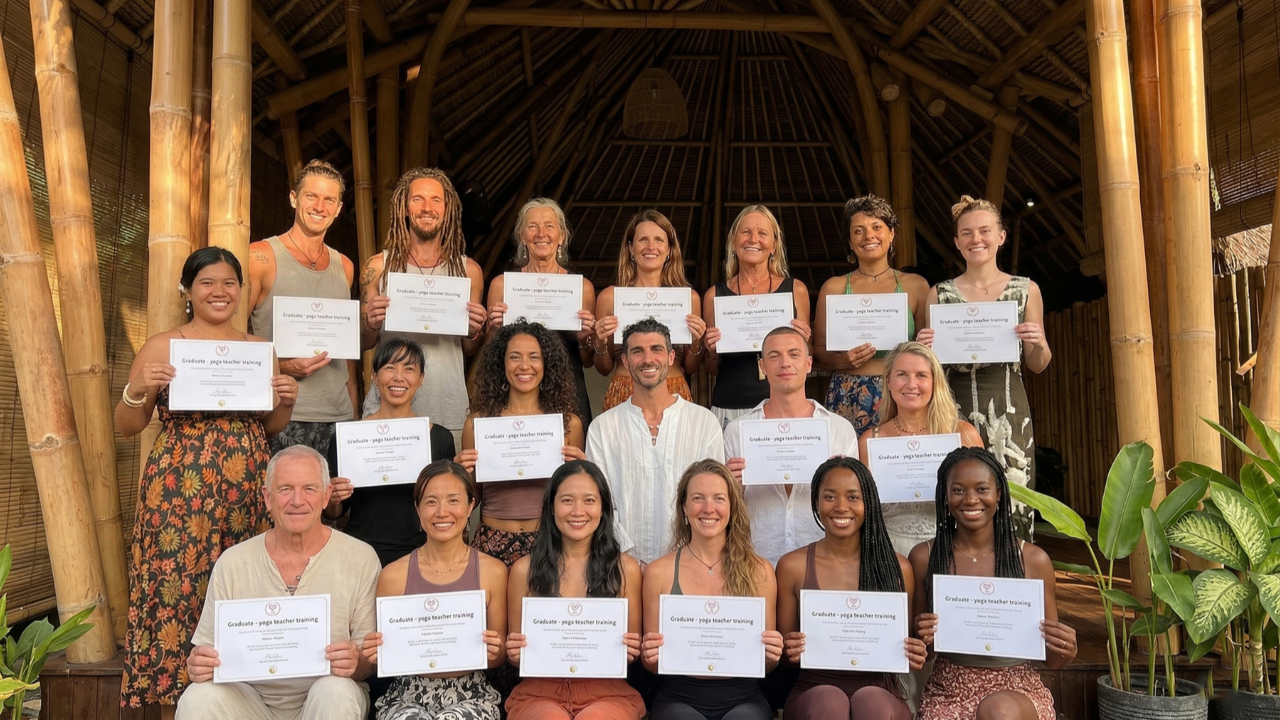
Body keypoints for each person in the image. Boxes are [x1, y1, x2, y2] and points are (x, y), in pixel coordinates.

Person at [117, 247, 299, 711]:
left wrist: (286, 400)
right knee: (176, 585)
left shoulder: (261, 350)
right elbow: (126, 425)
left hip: (248, 485)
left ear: (241, 291)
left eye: (229, 283)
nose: (219, 292)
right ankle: (178, 700)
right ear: (188, 290)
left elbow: (269, 426)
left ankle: (241, 700)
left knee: (245, 582)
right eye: (207, 283)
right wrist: (138, 391)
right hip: (179, 488)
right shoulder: (163, 345)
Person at [176, 445, 381, 720]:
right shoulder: (233, 562)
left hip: (323, 696)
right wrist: (199, 663)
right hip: (249, 698)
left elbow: (367, 659)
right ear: (267, 497)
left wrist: (356, 661)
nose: (297, 500)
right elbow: (208, 651)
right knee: (197, 699)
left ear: (326, 496)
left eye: (309, 489)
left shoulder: (361, 558)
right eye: (285, 489)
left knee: (337, 692)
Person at [916, 196, 1052, 540]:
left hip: (1010, 412)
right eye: (967, 233)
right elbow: (926, 369)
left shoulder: (1026, 290)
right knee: (956, 493)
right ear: (957, 241)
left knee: (1012, 495)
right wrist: (925, 349)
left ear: (1001, 236)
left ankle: (1011, 581)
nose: (976, 239)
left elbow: (1038, 364)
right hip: (951, 411)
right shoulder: (939, 295)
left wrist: (1036, 342)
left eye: (985, 231)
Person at [909, 447, 1076, 720]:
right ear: (945, 496)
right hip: (949, 688)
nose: (971, 499)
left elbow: (1053, 660)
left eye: (982, 489)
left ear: (999, 494)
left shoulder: (1032, 559)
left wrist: (1067, 650)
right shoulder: (925, 556)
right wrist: (922, 636)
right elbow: (924, 656)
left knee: (998, 711)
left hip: (1016, 688)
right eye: (959, 490)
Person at [776, 457, 927, 719]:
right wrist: (789, 648)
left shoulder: (897, 568)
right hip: (813, 690)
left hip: (882, 692)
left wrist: (916, 652)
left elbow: (911, 652)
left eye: (853, 497)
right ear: (816, 502)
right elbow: (785, 658)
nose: (841, 507)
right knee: (829, 701)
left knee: (872, 702)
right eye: (830, 497)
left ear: (868, 503)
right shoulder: (793, 566)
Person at [360, 461, 508, 720]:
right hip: (406, 694)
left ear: (471, 505)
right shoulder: (393, 575)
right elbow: (387, 655)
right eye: (430, 502)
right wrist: (376, 652)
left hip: (471, 693)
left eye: (453, 500)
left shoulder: (493, 572)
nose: (442, 512)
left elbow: (498, 657)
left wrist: (496, 650)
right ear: (417, 509)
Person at [640, 459, 784, 720]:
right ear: (684, 506)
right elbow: (652, 665)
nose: (708, 509)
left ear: (732, 506)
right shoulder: (659, 572)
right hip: (678, 696)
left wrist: (772, 655)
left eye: (719, 498)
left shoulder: (759, 571)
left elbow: (767, 664)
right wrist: (649, 654)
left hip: (745, 697)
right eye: (698, 498)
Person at [504, 461, 646, 719]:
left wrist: (631, 649)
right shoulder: (524, 570)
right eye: (567, 500)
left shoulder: (626, 569)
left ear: (603, 508)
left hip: (606, 691)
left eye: (589, 500)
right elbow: (516, 657)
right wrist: (514, 652)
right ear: (551, 507)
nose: (578, 511)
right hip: (540, 691)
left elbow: (630, 656)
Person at [360, 168, 487, 448]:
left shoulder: (468, 271)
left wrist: (474, 331)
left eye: (435, 200)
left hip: (448, 404)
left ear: (448, 209)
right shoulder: (378, 267)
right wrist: (370, 322)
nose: (427, 208)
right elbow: (366, 342)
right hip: (387, 406)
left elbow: (469, 348)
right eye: (417, 199)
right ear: (405, 207)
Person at [245, 159, 359, 466]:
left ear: (338, 209)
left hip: (337, 416)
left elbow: (345, 354)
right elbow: (233, 340)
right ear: (294, 198)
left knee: (330, 510)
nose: (319, 206)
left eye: (329, 200)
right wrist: (282, 366)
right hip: (279, 413)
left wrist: (354, 412)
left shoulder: (345, 266)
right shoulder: (261, 257)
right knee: (279, 510)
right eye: (311, 196)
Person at [586, 318, 725, 564]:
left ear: (671, 357)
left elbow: (710, 497)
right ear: (626, 362)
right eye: (637, 351)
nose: (648, 359)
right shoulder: (602, 427)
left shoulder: (704, 422)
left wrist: (682, 559)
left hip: (688, 563)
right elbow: (600, 500)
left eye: (656, 349)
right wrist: (626, 559)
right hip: (620, 564)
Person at [722, 327, 859, 565]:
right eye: (774, 356)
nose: (785, 363)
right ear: (763, 367)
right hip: (755, 559)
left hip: (821, 561)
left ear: (808, 364)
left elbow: (854, 502)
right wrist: (730, 490)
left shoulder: (839, 429)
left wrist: (839, 481)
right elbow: (724, 509)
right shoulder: (737, 431)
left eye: (794, 355)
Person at [457, 321, 587, 568]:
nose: (524, 366)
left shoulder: (568, 424)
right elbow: (471, 499)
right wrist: (459, 475)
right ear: (501, 363)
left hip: (549, 542)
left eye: (534, 357)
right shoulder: (478, 423)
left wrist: (582, 472)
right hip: (491, 541)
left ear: (547, 364)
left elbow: (572, 495)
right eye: (514, 357)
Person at [324, 338, 458, 566]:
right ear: (375, 376)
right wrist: (333, 499)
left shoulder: (440, 438)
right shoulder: (348, 438)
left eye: (409, 369)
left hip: (422, 554)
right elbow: (334, 512)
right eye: (390, 368)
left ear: (421, 378)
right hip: (361, 553)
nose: (399, 377)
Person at [813, 196, 929, 434]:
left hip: (901, 394)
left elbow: (927, 352)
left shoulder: (916, 286)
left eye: (877, 227)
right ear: (849, 240)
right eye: (858, 231)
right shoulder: (833, 288)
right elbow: (818, 350)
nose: (869, 236)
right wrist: (840, 361)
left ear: (892, 233)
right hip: (847, 393)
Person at [858, 343, 984, 555]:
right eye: (902, 375)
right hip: (888, 552)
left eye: (921, 375)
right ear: (888, 381)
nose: (911, 384)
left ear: (935, 382)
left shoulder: (962, 434)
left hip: (949, 549)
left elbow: (985, 498)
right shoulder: (871, 440)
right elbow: (862, 508)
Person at [486, 198, 596, 429]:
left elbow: (587, 360)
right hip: (514, 391)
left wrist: (586, 338)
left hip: (568, 390)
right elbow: (490, 353)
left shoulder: (582, 288)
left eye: (549, 226)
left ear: (562, 236)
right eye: (532, 226)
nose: (541, 233)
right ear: (522, 237)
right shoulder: (502, 285)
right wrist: (494, 327)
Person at [703, 205, 811, 429]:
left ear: (773, 245)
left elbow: (810, 360)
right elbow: (711, 368)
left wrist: (804, 341)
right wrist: (712, 352)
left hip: (784, 408)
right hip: (729, 407)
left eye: (762, 233)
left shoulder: (796, 290)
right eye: (745, 232)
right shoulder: (714, 295)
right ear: (734, 242)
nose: (753, 239)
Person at [590, 210, 706, 409]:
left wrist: (696, 343)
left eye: (659, 240)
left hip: (674, 390)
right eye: (643, 239)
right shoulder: (610, 297)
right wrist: (599, 342)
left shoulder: (688, 298)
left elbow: (691, 367)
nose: (651, 247)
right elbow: (603, 368)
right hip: (625, 390)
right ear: (631, 248)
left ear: (669, 249)